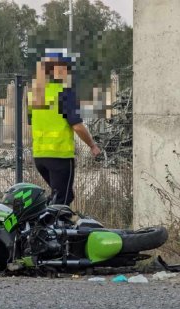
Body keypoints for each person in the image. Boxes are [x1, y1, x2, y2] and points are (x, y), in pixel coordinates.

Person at [29, 48, 101, 206]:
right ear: (60, 69)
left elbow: (31, 122)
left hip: (40, 156)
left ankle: (47, 226)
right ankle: (50, 229)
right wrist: (92, 145)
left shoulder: (35, 95)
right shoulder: (65, 93)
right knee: (62, 201)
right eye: (68, 68)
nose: (70, 72)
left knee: (60, 197)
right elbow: (77, 127)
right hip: (60, 156)